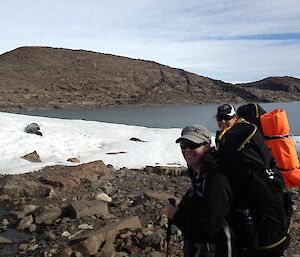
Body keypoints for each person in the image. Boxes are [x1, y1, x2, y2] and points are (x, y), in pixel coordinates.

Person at [165, 125, 235, 257]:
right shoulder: (199, 171)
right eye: (183, 145)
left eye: (192, 145)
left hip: (220, 249)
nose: (187, 150)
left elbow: (208, 229)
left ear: (207, 146)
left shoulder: (216, 180)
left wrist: (176, 215)